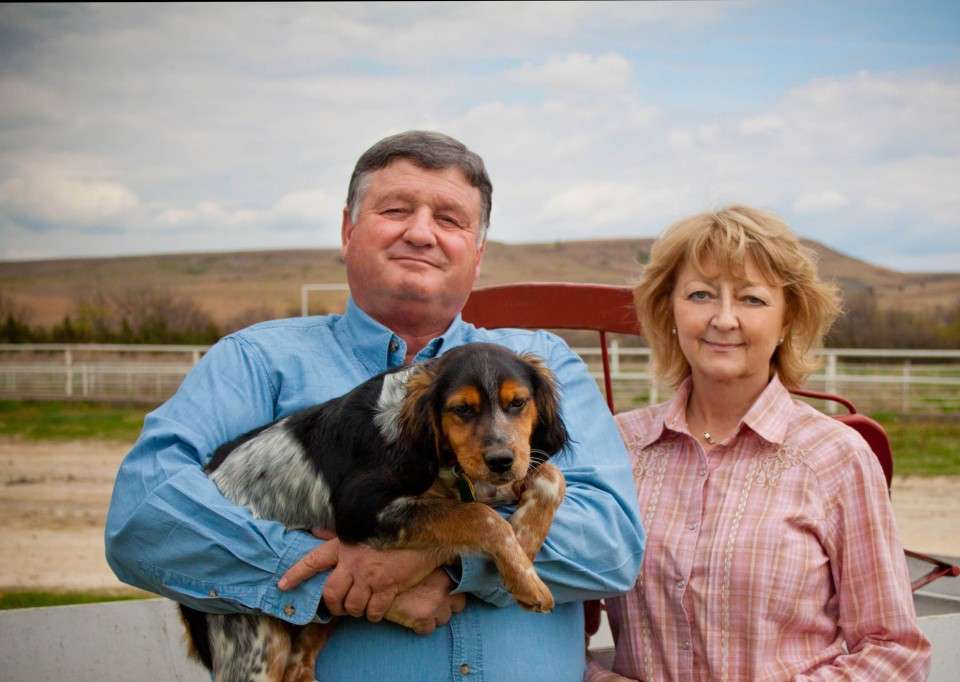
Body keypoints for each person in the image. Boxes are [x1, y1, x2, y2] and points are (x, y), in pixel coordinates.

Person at [105, 130, 644, 681]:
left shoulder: (540, 365)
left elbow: (613, 545)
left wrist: (438, 557)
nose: (420, 232)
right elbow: (142, 519)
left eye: (450, 220)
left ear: (477, 254)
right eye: (396, 209)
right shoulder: (256, 361)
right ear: (348, 231)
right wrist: (327, 573)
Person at [586, 206, 930, 681]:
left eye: (752, 299)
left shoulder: (835, 458)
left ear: (788, 320)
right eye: (701, 294)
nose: (724, 319)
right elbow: (552, 611)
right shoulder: (619, 448)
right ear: (669, 311)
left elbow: (893, 649)